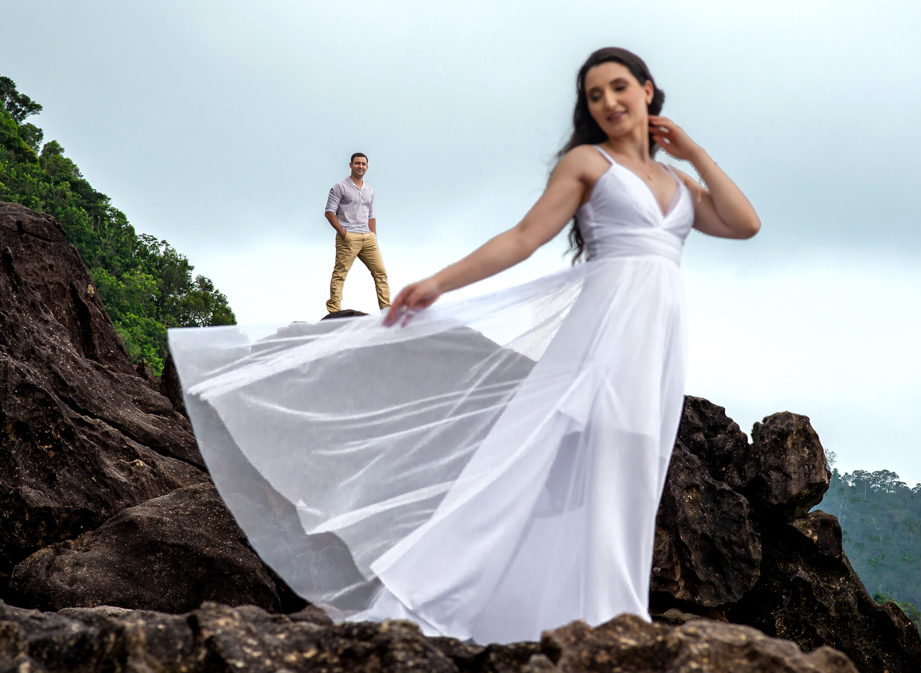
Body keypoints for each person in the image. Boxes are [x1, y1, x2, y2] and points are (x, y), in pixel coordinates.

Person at [167, 48, 760, 644]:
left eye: (618, 87)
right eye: (594, 94)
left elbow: (744, 223)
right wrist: (439, 284)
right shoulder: (589, 162)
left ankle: (596, 611)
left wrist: (694, 153)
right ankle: (587, 613)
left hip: (656, 340)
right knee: (565, 465)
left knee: (637, 466)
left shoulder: (677, 180)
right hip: (603, 331)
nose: (607, 101)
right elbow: (524, 238)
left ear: (649, 91)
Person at [325, 152, 390, 313]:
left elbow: (371, 215)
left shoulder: (370, 190)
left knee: (380, 273)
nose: (360, 166)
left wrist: (372, 235)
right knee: (340, 273)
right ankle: (334, 310)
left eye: (363, 164)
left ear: (367, 167)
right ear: (351, 165)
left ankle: (387, 310)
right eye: (357, 163)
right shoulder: (340, 187)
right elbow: (329, 212)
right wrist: (343, 232)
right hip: (348, 236)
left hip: (367, 238)